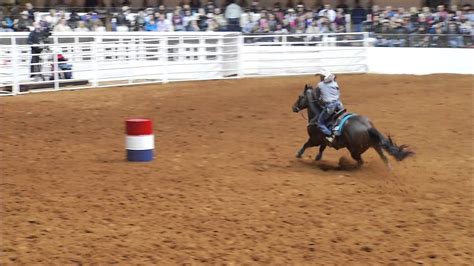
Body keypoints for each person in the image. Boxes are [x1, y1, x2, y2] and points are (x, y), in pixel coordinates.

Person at [312, 69, 344, 144]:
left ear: (324, 77)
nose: (320, 77)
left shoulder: (320, 85)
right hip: (339, 104)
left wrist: (321, 101)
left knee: (320, 122)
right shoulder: (335, 83)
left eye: (321, 76)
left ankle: (330, 136)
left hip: (330, 106)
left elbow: (317, 97)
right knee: (339, 117)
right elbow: (338, 93)